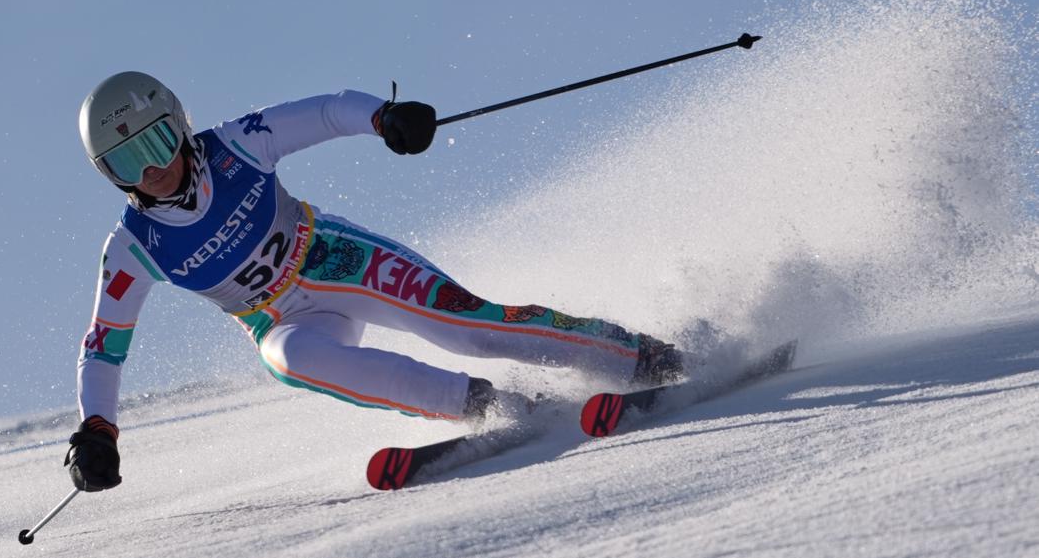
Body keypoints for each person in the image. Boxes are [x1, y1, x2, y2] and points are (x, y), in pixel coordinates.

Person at [65, 71, 684, 492]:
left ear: (179, 123)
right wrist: (98, 430)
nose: (151, 168)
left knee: (469, 328)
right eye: (126, 161)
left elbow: (329, 112)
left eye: (158, 141)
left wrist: (385, 118)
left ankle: (642, 356)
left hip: (337, 260)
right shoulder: (131, 248)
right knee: (286, 359)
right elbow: (103, 346)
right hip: (283, 319)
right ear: (109, 175)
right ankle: (495, 408)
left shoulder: (237, 146)